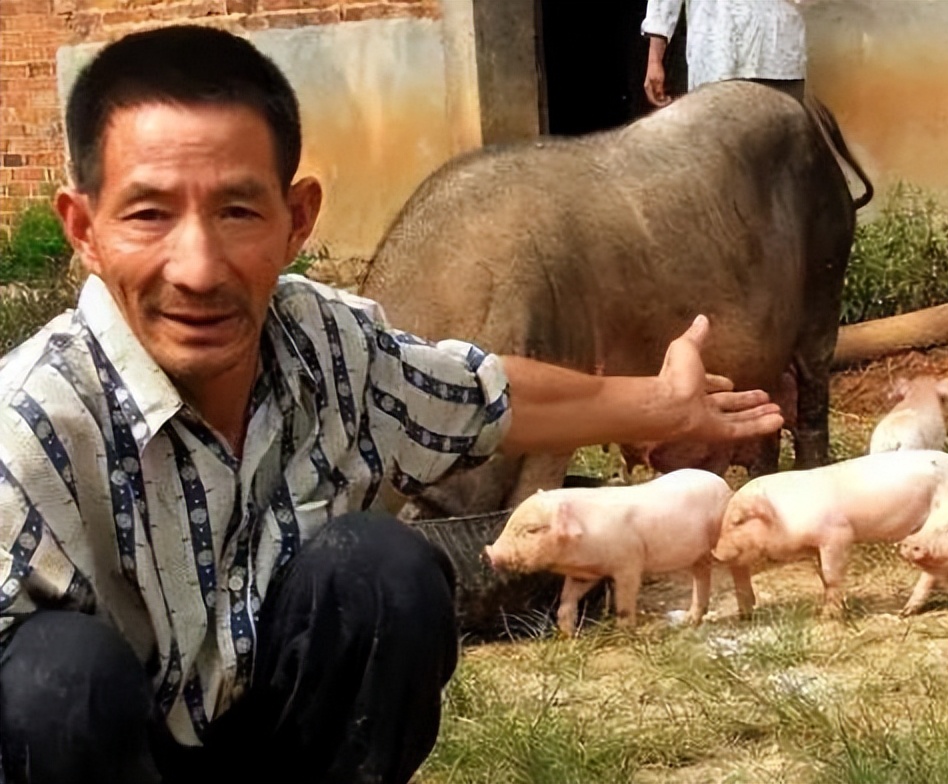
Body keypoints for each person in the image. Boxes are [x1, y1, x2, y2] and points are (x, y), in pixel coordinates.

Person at [0, 24, 783, 784]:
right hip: (105, 757)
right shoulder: (28, 431)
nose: (198, 270)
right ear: (84, 229)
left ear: (296, 220)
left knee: (382, 570)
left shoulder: (323, 347)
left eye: (237, 211)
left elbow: (481, 399)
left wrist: (662, 403)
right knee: (56, 680)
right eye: (149, 214)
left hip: (271, 742)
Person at [642, 0, 808, 107]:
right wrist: (654, 59)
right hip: (715, 60)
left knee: (782, 147)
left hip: (778, 60)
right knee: (714, 147)